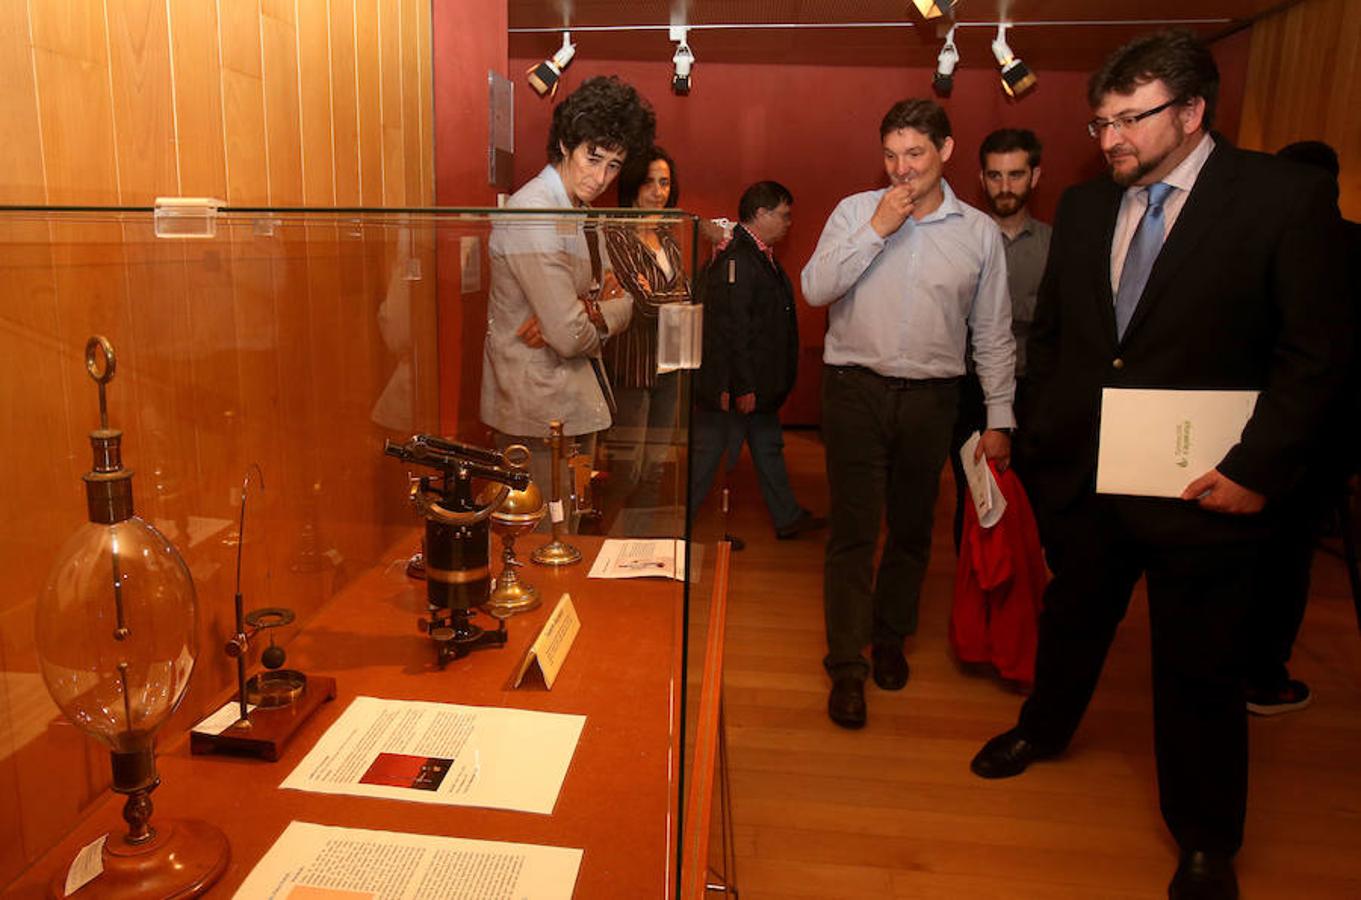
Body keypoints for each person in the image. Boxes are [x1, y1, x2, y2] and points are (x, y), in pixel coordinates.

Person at [969, 31, 1350, 899]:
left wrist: (1256, 469)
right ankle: (1044, 729)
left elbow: (1313, 357)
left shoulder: (1279, 199)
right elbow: (1063, 338)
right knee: (1072, 621)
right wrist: (1039, 438)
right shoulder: (1087, 207)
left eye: (1129, 120)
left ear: (1190, 111)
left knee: (1199, 665)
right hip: (1087, 482)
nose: (1110, 140)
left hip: (1204, 487)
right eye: (1101, 121)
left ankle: (1206, 837)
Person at [801, 99, 1016, 730]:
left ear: (946, 151)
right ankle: (846, 664)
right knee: (854, 530)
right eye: (891, 156)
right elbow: (815, 289)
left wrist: (999, 418)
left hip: (932, 398)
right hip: (854, 390)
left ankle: (890, 635)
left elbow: (994, 333)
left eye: (915, 154)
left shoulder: (978, 233)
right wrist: (877, 227)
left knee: (914, 527)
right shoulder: (852, 212)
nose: (902, 170)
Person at [481, 76, 655, 504]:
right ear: (564, 144)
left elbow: (626, 302)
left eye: (613, 166)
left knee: (570, 536)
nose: (600, 178)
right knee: (539, 541)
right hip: (537, 411)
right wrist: (592, 310)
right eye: (592, 159)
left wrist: (587, 310)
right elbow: (567, 335)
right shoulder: (533, 210)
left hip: (574, 401)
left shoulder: (581, 211)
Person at [1242, 139, 1361, 715]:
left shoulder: (1261, 243)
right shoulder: (1351, 245)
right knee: (1288, 558)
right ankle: (1263, 676)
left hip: (1259, 429)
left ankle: (1236, 668)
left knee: (1249, 553)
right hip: (1325, 437)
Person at [690, 181, 823, 542]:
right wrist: (743, 385)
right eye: (784, 214)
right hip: (740, 386)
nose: (789, 222)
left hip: (753, 384)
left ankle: (786, 516)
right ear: (761, 214)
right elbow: (734, 328)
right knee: (710, 457)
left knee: (765, 446)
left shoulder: (752, 253)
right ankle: (678, 523)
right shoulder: (739, 257)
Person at [950, 128, 1053, 550]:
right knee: (971, 497)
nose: (1005, 186)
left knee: (1028, 498)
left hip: (1033, 389)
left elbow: (1061, 322)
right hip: (969, 388)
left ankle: (1020, 600)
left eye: (1015, 174)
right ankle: (972, 596)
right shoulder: (960, 240)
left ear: (1035, 176)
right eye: (995, 176)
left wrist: (999, 313)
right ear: (981, 178)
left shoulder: (1055, 245)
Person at [601, 146, 689, 505]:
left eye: (665, 182)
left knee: (656, 468)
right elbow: (643, 305)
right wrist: (669, 297)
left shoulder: (669, 237)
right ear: (632, 188)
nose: (658, 191)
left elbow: (687, 295)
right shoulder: (617, 234)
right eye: (649, 182)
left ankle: (642, 550)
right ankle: (611, 547)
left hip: (669, 363)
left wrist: (661, 295)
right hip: (632, 366)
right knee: (628, 469)